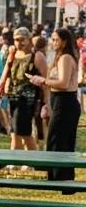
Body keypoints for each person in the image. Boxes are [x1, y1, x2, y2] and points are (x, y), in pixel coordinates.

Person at [29, 26, 81, 181]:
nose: (53, 42)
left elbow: (64, 83)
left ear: (65, 42)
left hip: (66, 102)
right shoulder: (59, 58)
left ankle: (60, 177)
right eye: (52, 39)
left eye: (56, 40)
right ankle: (58, 176)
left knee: (58, 139)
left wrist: (43, 80)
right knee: (58, 139)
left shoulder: (65, 58)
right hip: (59, 101)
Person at [0, 27, 47, 155]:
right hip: (12, 96)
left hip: (28, 98)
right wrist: (0, 85)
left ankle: (33, 159)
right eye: (16, 40)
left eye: (21, 39)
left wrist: (46, 101)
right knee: (14, 130)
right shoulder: (13, 53)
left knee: (23, 130)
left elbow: (45, 81)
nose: (18, 43)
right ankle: (15, 156)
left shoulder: (37, 56)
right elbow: (6, 72)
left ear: (29, 39)